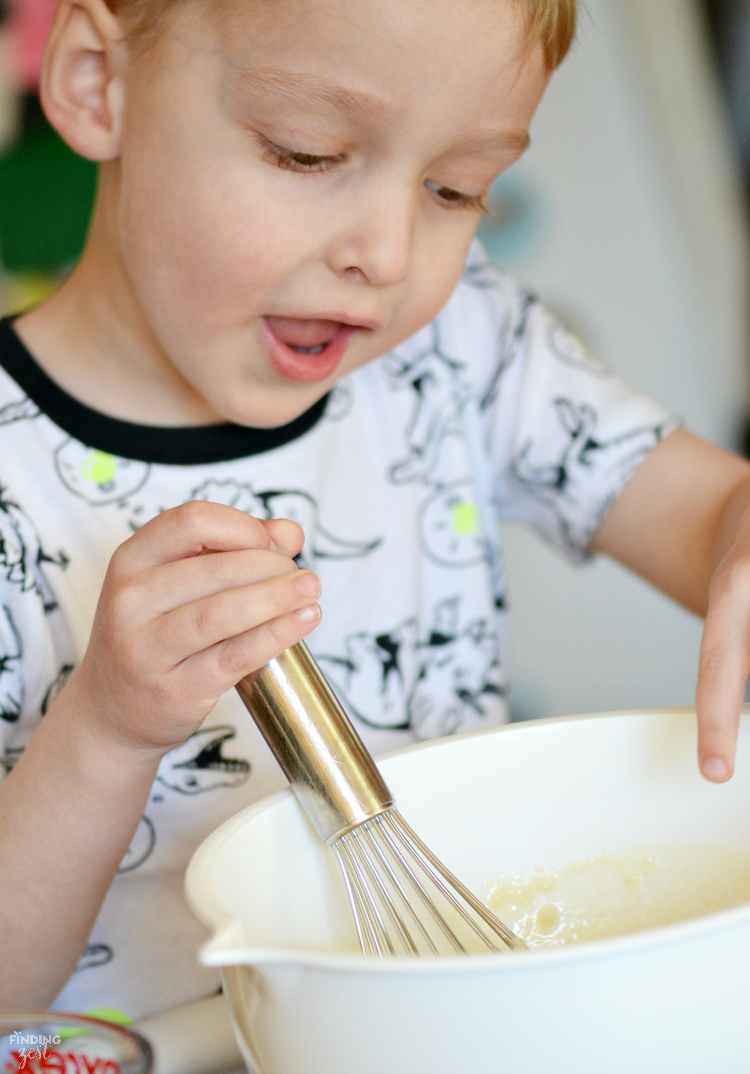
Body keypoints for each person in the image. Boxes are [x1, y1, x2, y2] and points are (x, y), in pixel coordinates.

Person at [1, 0, 749, 1021]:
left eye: (457, 188)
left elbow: (714, 513)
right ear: (99, 84)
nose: (387, 253)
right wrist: (104, 735)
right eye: (307, 154)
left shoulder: (462, 352)